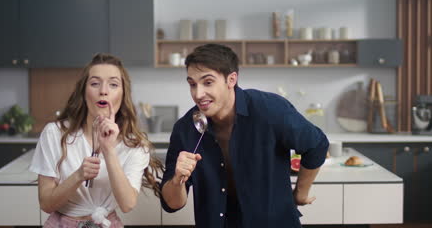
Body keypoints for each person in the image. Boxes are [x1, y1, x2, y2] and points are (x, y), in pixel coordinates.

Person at [160, 44, 329, 228]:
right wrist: (177, 180)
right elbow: (172, 204)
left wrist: (300, 193)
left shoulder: (269, 109)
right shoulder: (185, 129)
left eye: (208, 82)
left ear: (231, 79)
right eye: (192, 84)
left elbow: (317, 144)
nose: (198, 94)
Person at [30, 53, 163, 228]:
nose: (103, 91)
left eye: (113, 84)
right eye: (94, 83)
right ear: (83, 92)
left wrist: (109, 151)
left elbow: (127, 204)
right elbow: (46, 204)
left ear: (123, 95)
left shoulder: (136, 145)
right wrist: (78, 176)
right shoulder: (54, 133)